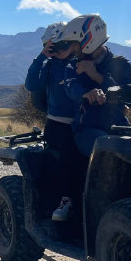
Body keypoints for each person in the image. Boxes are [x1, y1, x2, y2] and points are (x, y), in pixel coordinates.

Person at [25, 21, 84, 221]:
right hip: (58, 124)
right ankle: (65, 200)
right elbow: (31, 84)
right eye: (54, 47)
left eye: (64, 45)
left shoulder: (80, 63)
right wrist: (42, 57)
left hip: (82, 122)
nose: (61, 51)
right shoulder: (49, 66)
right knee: (65, 160)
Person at [62, 14, 131, 158]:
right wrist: (86, 93)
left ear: (89, 40)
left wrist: (97, 76)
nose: (71, 48)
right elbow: (71, 87)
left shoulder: (122, 64)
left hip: (119, 127)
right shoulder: (73, 65)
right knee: (108, 149)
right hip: (87, 130)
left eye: (74, 43)